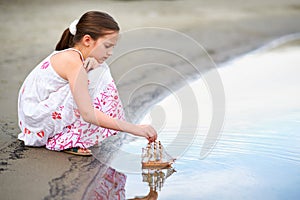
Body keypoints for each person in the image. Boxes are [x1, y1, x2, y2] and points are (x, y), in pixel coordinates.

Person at [17, 11, 157, 156]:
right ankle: (67, 139)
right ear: (87, 40)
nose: (110, 53)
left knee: (97, 70)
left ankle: (73, 133)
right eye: (107, 46)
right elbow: (88, 113)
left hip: (34, 119)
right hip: (36, 123)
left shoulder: (73, 56)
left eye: (112, 47)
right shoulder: (74, 63)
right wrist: (135, 129)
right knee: (98, 73)